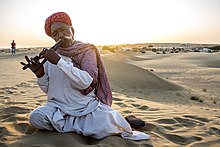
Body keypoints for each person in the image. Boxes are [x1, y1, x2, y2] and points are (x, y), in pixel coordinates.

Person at [22, 12, 149, 140]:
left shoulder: (86, 51)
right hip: (58, 107)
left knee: (102, 127)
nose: (60, 35)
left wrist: (60, 62)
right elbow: (47, 89)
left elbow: (86, 82)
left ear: (72, 30)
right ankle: (80, 127)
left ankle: (120, 119)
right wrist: (40, 74)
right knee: (35, 118)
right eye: (55, 33)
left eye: (63, 30)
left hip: (85, 107)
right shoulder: (50, 55)